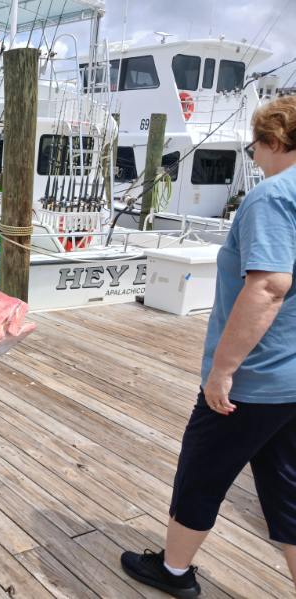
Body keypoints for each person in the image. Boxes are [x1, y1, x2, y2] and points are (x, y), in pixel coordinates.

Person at [120, 95, 296, 598]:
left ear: (274, 141)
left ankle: (173, 571)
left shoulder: (272, 196)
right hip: (291, 378)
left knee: (202, 473)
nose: (254, 155)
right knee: (286, 490)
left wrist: (223, 369)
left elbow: (268, 286)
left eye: (256, 144)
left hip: (256, 379)